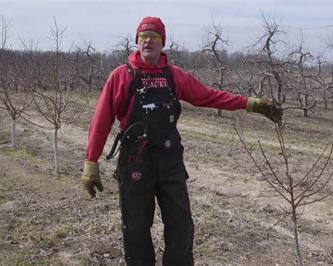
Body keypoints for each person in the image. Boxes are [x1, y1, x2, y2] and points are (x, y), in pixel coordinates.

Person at [81, 16, 282, 265]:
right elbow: (101, 121)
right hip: (135, 162)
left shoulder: (174, 76)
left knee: (181, 226)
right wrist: (91, 161)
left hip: (169, 161)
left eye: (154, 37)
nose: (148, 42)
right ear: (137, 42)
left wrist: (251, 104)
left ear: (162, 43)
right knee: (135, 228)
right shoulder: (121, 76)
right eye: (143, 37)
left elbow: (209, 96)